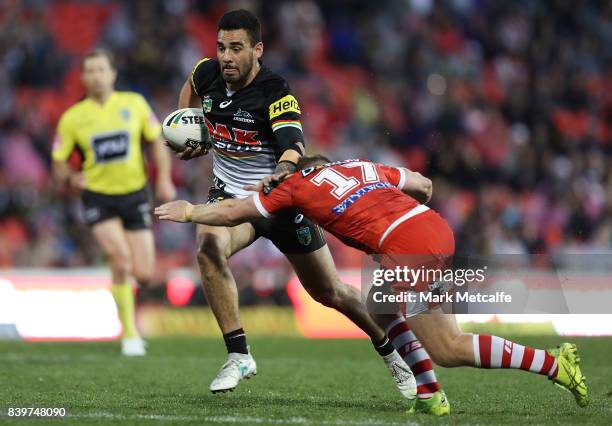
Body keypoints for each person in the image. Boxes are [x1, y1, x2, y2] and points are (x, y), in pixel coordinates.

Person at [155, 155, 589, 415]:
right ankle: (430, 395)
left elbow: (233, 212)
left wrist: (191, 211)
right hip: (429, 228)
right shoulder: (360, 165)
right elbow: (424, 185)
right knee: (379, 307)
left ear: (300, 172)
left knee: (449, 347)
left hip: (409, 247)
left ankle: (553, 365)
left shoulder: (294, 188)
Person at [171, 9, 415, 396]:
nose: (227, 57)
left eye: (236, 48)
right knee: (207, 246)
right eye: (221, 48)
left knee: (331, 293)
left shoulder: (276, 92)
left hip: (280, 202)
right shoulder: (207, 73)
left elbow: (294, 147)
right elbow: (190, 85)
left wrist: (280, 172)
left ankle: (389, 350)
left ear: (257, 49)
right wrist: (187, 124)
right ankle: (238, 354)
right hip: (231, 197)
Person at [52, 49, 176, 356]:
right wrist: (70, 177)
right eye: (90, 70)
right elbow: (58, 160)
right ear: (82, 78)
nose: (95, 75)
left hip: (134, 194)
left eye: (100, 69)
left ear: (112, 74)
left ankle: (130, 315)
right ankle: (130, 334)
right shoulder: (72, 118)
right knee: (120, 260)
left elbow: (157, 141)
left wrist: (163, 180)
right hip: (98, 197)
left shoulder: (134, 105)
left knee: (145, 274)